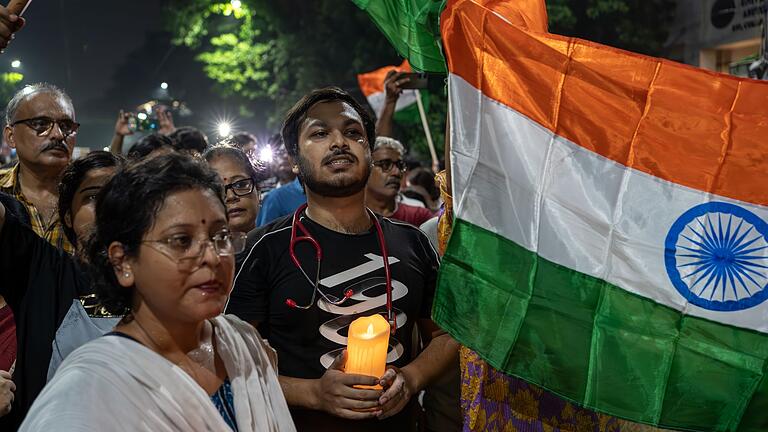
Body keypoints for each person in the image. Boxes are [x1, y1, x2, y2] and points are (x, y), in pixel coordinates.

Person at [227, 87, 458, 431]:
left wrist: (410, 379)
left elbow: (446, 335)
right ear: (293, 159)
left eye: (353, 133)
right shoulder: (265, 249)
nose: (339, 142)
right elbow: (228, 366)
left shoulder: (412, 242)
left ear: (368, 148)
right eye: (320, 133)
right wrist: (314, 394)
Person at [20, 153, 295, 431]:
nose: (212, 257)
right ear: (123, 261)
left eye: (220, 236)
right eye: (181, 241)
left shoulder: (242, 342)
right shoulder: (89, 391)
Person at [0, 151, 123, 428]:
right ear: (67, 216)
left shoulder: (160, 287)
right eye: (92, 197)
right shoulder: (41, 270)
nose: (107, 207)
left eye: (120, 195)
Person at [0, 83, 79, 254]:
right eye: (41, 124)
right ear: (11, 136)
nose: (58, 134)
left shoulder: (93, 195)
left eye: (66, 126)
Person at [366, 137, 434, 226]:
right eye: (385, 164)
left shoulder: (418, 217)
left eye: (400, 165)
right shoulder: (348, 217)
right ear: (365, 168)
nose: (396, 172)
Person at [204, 145, 260, 235]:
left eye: (240, 184)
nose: (231, 197)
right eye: (218, 189)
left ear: (258, 189)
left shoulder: (285, 245)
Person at [255, 144, 305, 227]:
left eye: (290, 152)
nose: (285, 156)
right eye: (281, 152)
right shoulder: (273, 196)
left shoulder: (317, 191)